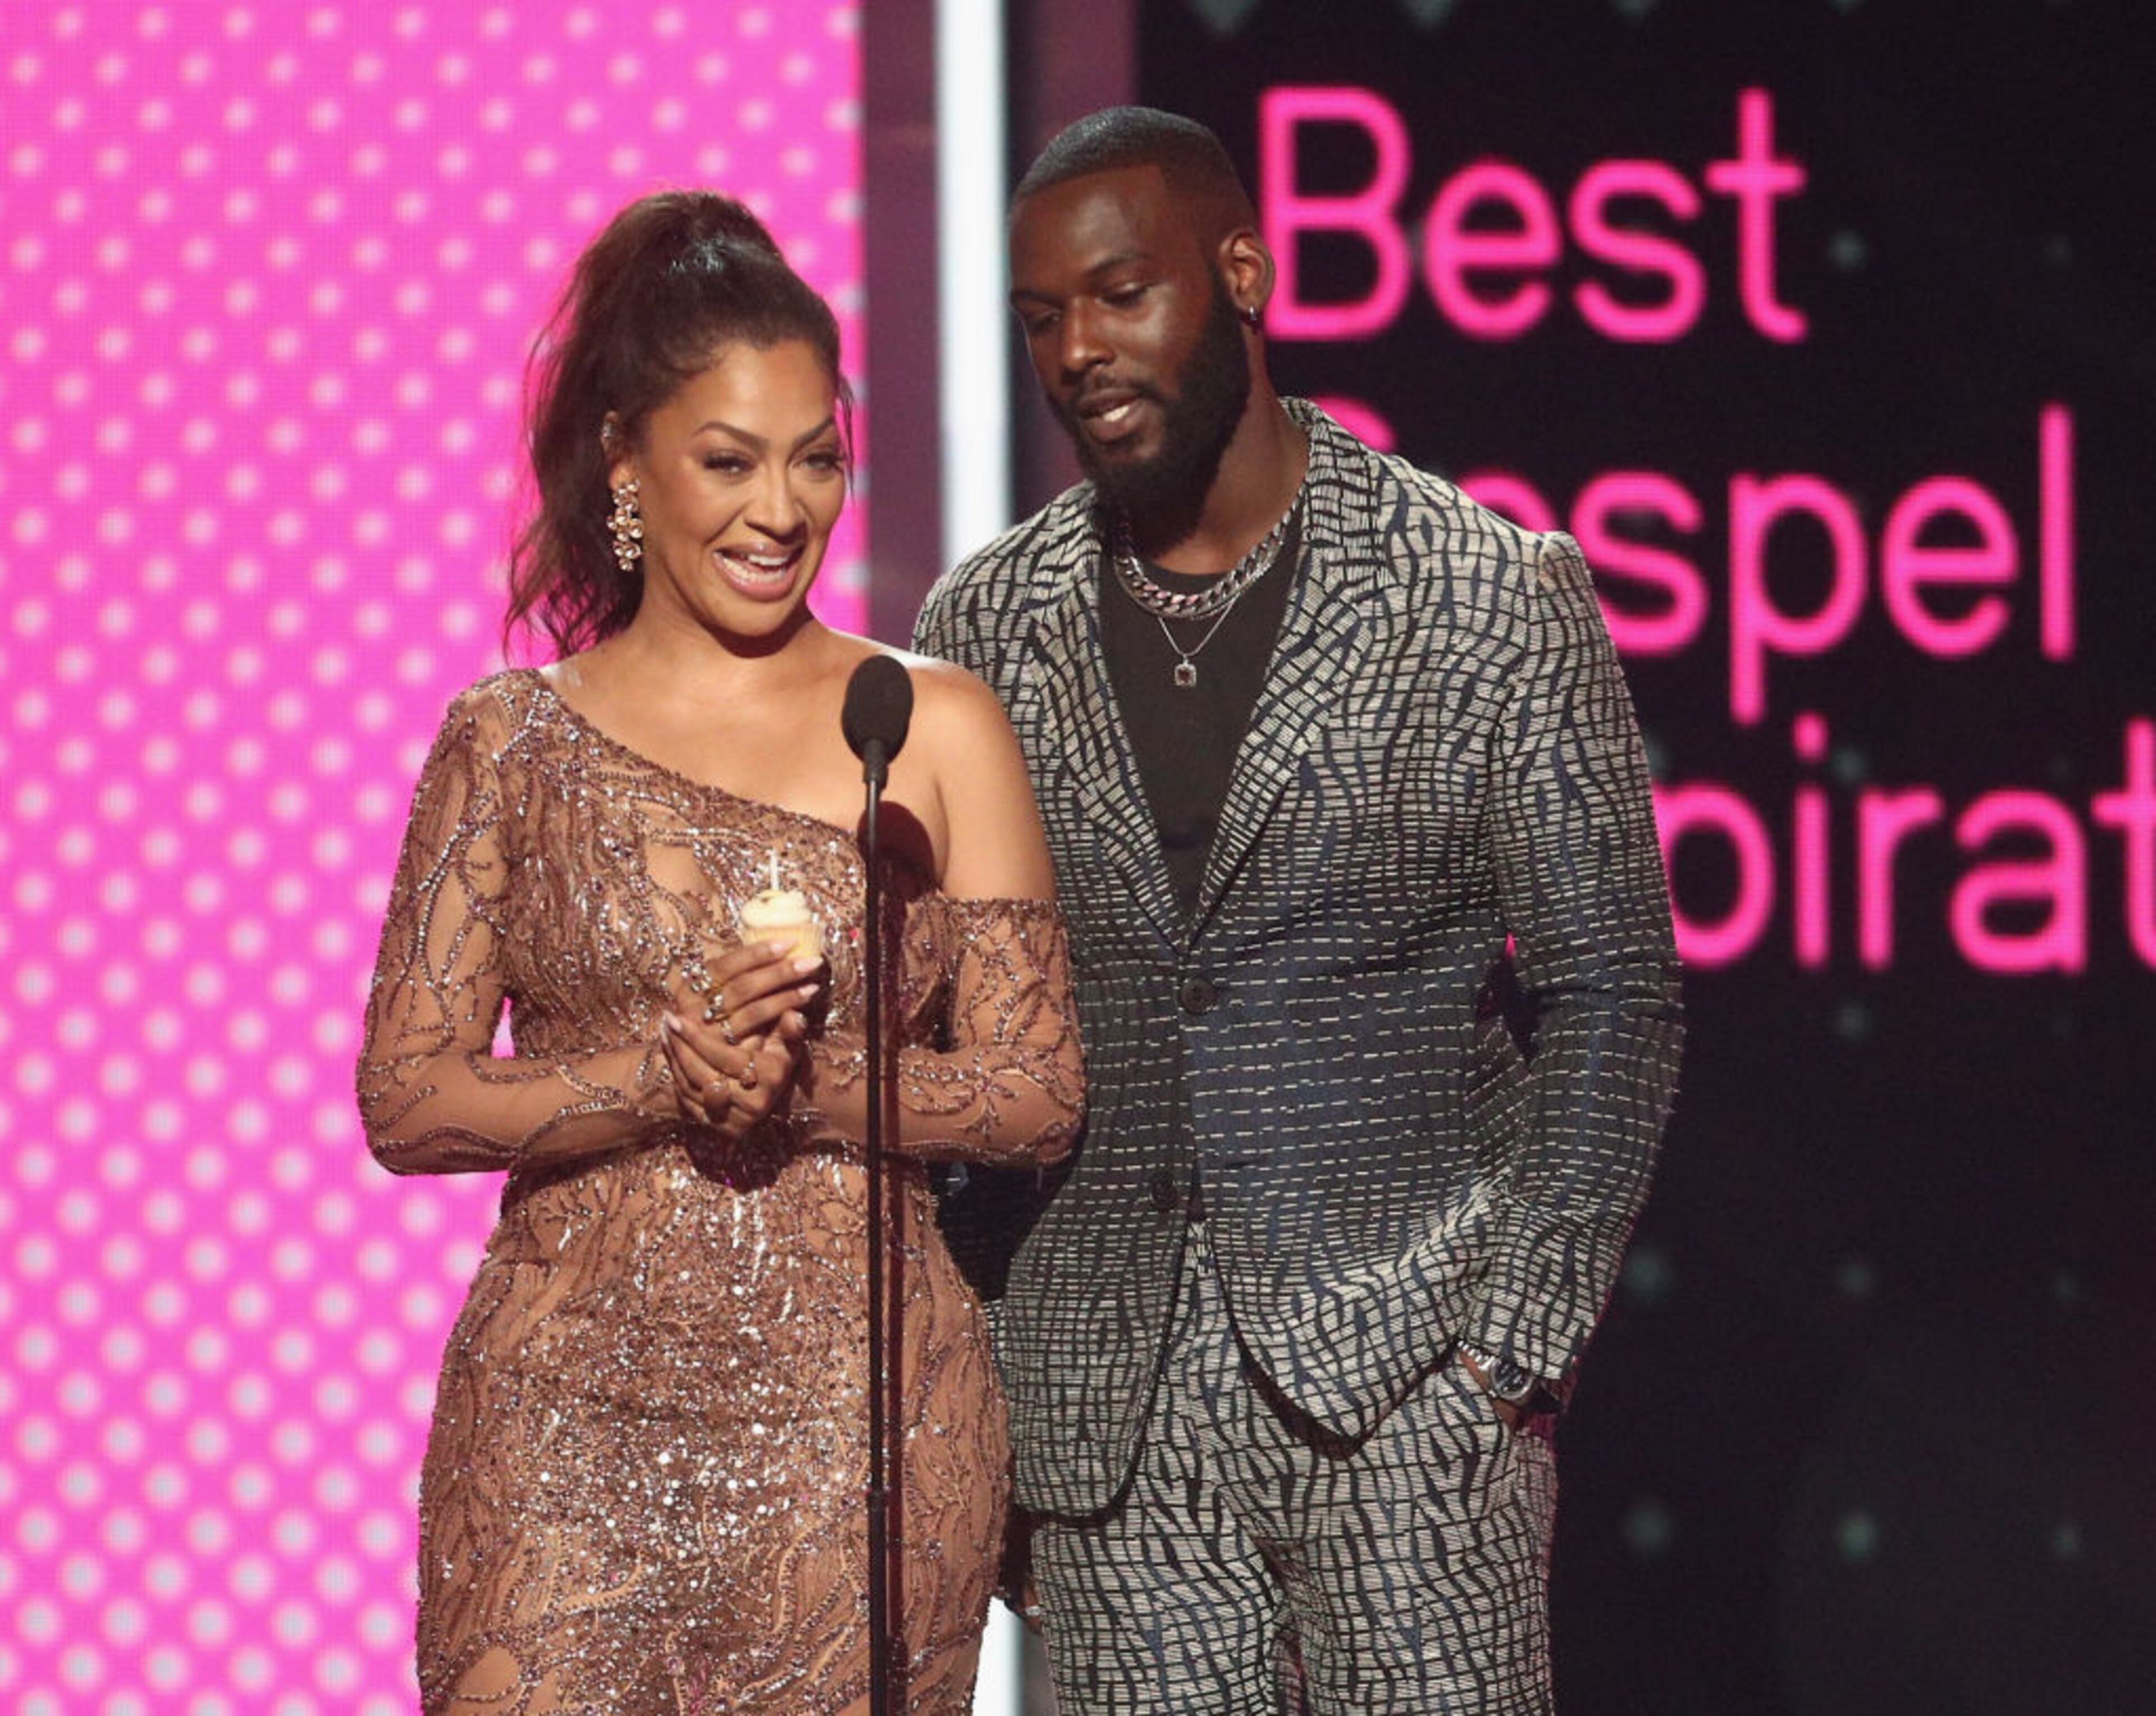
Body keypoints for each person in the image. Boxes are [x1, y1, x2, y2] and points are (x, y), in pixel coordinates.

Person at [915, 108, 1684, 1714]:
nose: (1079, 352)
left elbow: (1614, 992)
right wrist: (996, 1396)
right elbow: (958, 1043)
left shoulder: (1484, 594)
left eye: (1121, 294)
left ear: (1245, 274)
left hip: (1414, 1389)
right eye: (1042, 317)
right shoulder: (981, 626)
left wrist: (1509, 1352)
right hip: (1110, 1429)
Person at [355, 190, 1084, 1716]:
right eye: (729, 461)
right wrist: (662, 1076)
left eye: (815, 458)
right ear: (628, 462)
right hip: (560, 1438)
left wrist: (808, 1087)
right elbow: (410, 1100)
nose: (781, 510)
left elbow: (1034, 1094)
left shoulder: (928, 724)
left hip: (853, 1431)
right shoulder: (513, 742)